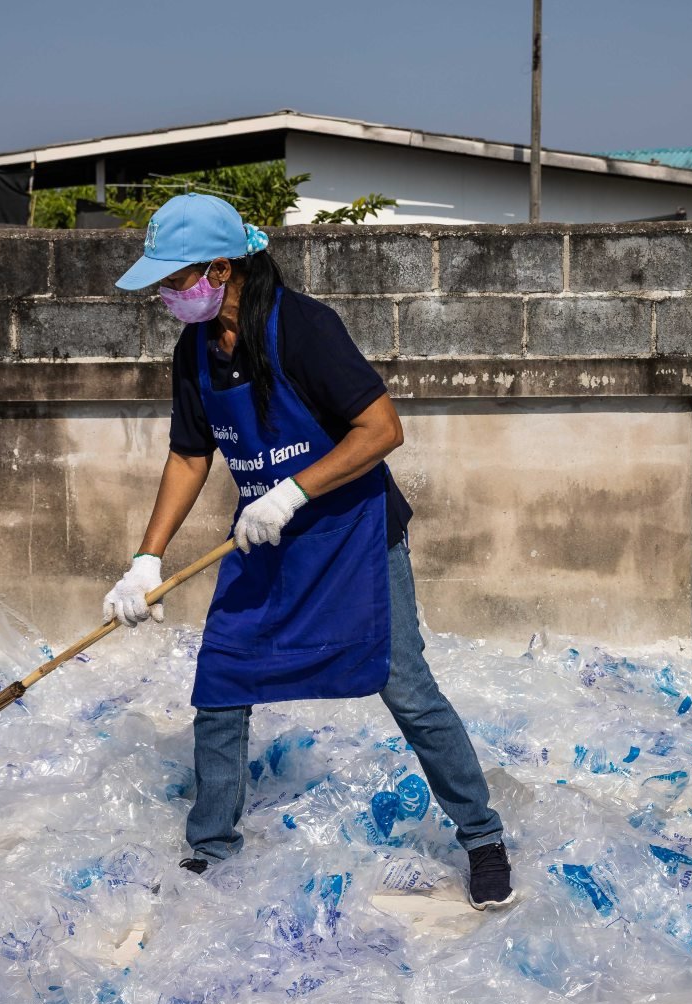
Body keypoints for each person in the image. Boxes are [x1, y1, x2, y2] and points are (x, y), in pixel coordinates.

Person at [100, 194, 513, 909]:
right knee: (222, 683)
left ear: (221, 270)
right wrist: (146, 560)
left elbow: (382, 429)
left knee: (406, 688)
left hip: (352, 535)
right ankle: (212, 849)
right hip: (265, 538)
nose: (167, 297)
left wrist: (291, 493)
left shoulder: (304, 328)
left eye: (176, 281)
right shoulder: (195, 350)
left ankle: (482, 839)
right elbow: (190, 456)